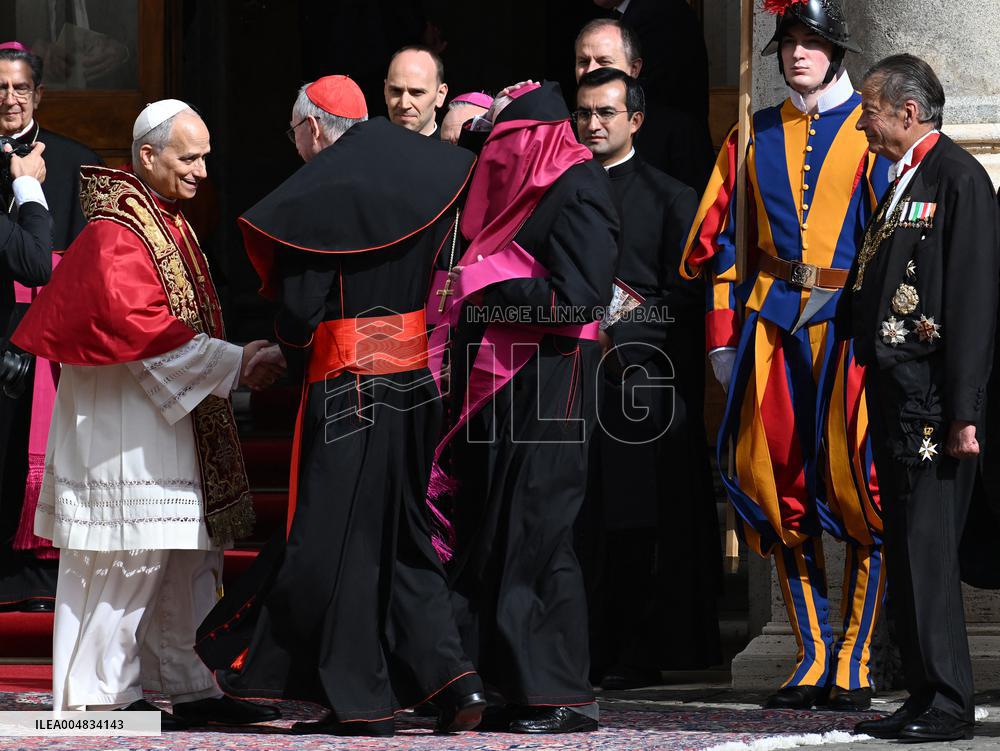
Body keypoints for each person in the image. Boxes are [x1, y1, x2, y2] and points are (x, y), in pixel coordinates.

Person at [194, 76, 486, 738]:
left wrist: (286, 352)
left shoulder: (322, 190)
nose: (296, 146)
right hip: (413, 381)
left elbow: (300, 315)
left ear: (315, 128)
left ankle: (362, 701)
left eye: (294, 132)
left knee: (342, 544)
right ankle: (455, 680)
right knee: (404, 535)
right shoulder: (420, 168)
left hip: (350, 384)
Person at [11, 100, 282, 729]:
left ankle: (185, 684)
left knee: (181, 557)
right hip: (124, 439)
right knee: (126, 563)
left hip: (165, 430)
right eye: (189, 158)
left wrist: (232, 363)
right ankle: (99, 698)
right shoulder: (116, 234)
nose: (202, 171)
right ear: (148, 155)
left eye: (205, 157)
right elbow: (144, 332)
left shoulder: (165, 220)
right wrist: (237, 363)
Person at [680, 0, 888, 711]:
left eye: (811, 41)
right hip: (771, 330)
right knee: (779, 484)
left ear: (837, 51)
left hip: (846, 328)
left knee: (857, 485)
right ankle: (814, 652)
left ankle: (856, 655)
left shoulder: (871, 131)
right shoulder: (752, 132)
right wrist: (721, 336)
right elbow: (721, 246)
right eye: (789, 41)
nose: (798, 52)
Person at [428, 81, 618, 733]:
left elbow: (582, 300)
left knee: (540, 529)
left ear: (530, 141)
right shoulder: (528, 188)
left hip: (555, 378)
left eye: (502, 141)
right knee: (497, 527)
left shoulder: (579, 186)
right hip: (507, 381)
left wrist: (490, 290)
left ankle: (561, 693)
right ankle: (508, 682)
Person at [850, 55, 1000, 743]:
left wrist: (967, 411)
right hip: (897, 393)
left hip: (936, 404)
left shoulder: (958, 179)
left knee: (932, 549)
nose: (863, 124)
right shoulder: (903, 178)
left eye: (870, 110)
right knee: (908, 547)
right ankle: (921, 692)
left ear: (907, 112)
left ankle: (948, 700)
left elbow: (971, 301)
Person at [572, 66, 721, 689]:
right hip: (569, 381)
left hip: (640, 383)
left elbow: (685, 299)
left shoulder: (670, 197)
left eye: (606, 112)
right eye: (584, 112)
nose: (593, 123)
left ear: (635, 120)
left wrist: (620, 330)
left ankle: (632, 649)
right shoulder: (558, 192)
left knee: (634, 521)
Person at [0, 40, 102, 613]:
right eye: (0, 88)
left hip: (54, 320)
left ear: (38, 94)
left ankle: (43, 573)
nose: (10, 98)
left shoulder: (77, 159)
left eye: (20, 87)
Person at [573, 19, 713, 193]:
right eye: (583, 62)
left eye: (604, 62)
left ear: (634, 69)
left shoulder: (678, 131)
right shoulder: (564, 129)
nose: (590, 71)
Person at [384, 45, 448, 137]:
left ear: (440, 95)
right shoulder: (367, 142)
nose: (404, 104)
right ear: (385, 91)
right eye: (396, 90)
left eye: (417, 93)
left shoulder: (450, 146)